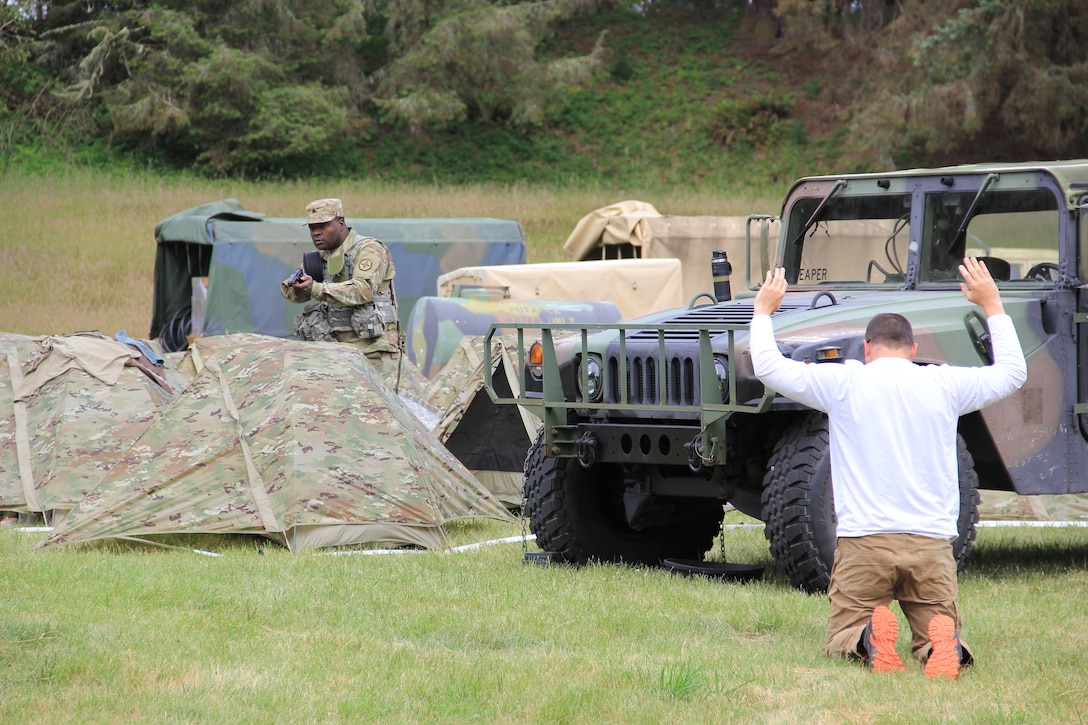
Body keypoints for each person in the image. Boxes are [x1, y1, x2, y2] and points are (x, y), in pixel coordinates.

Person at [749, 257, 1027, 679]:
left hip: (865, 542)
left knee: (843, 629)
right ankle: (942, 645)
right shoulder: (944, 383)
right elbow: (1012, 373)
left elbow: (768, 367)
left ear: (867, 348)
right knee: (938, 625)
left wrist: (763, 311)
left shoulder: (844, 382)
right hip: (931, 544)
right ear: (913, 350)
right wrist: (992, 305)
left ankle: (865, 639)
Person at [282, 198, 402, 385]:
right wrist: (295, 289)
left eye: (323, 225)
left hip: (372, 352)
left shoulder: (368, 249)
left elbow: (363, 290)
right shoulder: (318, 259)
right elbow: (298, 293)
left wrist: (316, 288)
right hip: (335, 353)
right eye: (312, 228)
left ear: (341, 223)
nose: (316, 233)